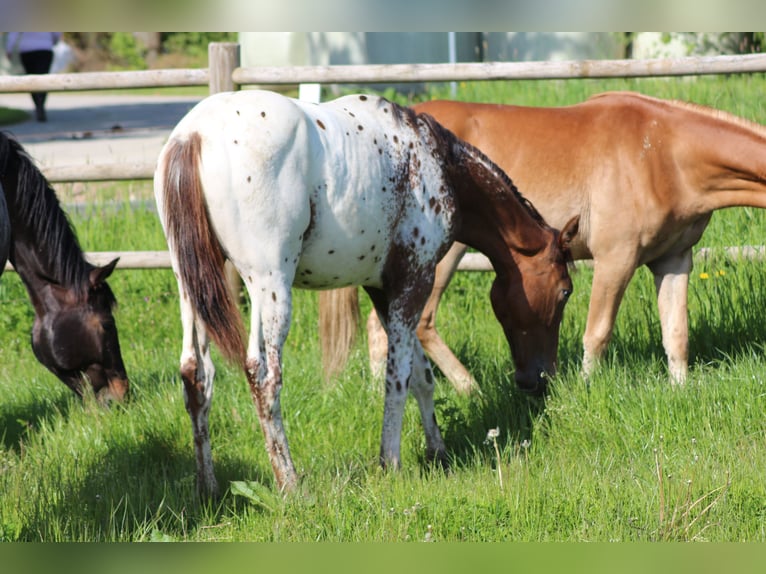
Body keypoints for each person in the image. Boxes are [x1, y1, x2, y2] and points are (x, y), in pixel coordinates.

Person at [4, 32, 61, 122]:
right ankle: (40, 105)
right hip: (44, 49)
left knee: (31, 81)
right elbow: (56, 33)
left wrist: (9, 49)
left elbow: (13, 33)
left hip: (27, 51)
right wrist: (53, 42)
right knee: (43, 79)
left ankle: (38, 105)